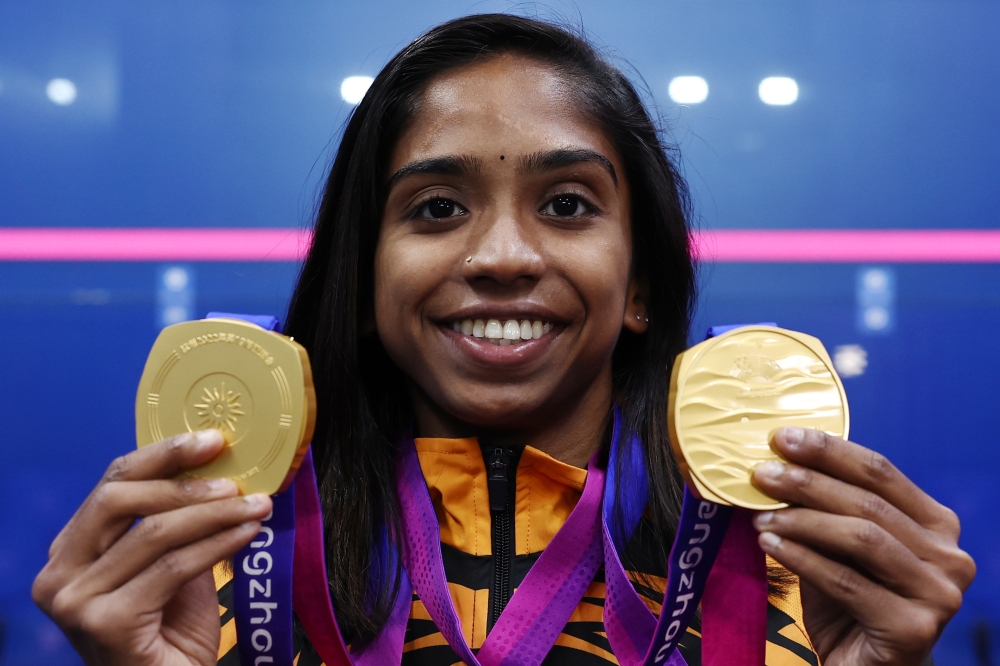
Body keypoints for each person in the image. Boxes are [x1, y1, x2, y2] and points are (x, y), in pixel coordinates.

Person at [32, 14, 974, 666]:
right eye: (437, 209)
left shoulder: (791, 587)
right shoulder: (221, 588)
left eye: (566, 205)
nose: (503, 257)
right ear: (363, 282)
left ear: (640, 285)